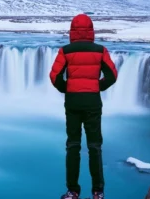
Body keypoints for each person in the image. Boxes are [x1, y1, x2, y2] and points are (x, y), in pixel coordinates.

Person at [49, 14, 118, 199]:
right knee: (95, 146)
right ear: (91, 30)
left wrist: (67, 89)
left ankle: (72, 191)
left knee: (73, 146)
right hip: (93, 104)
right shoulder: (100, 50)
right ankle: (98, 191)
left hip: (72, 104)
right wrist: (96, 87)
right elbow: (112, 76)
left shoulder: (65, 51)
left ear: (72, 31)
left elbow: (55, 77)